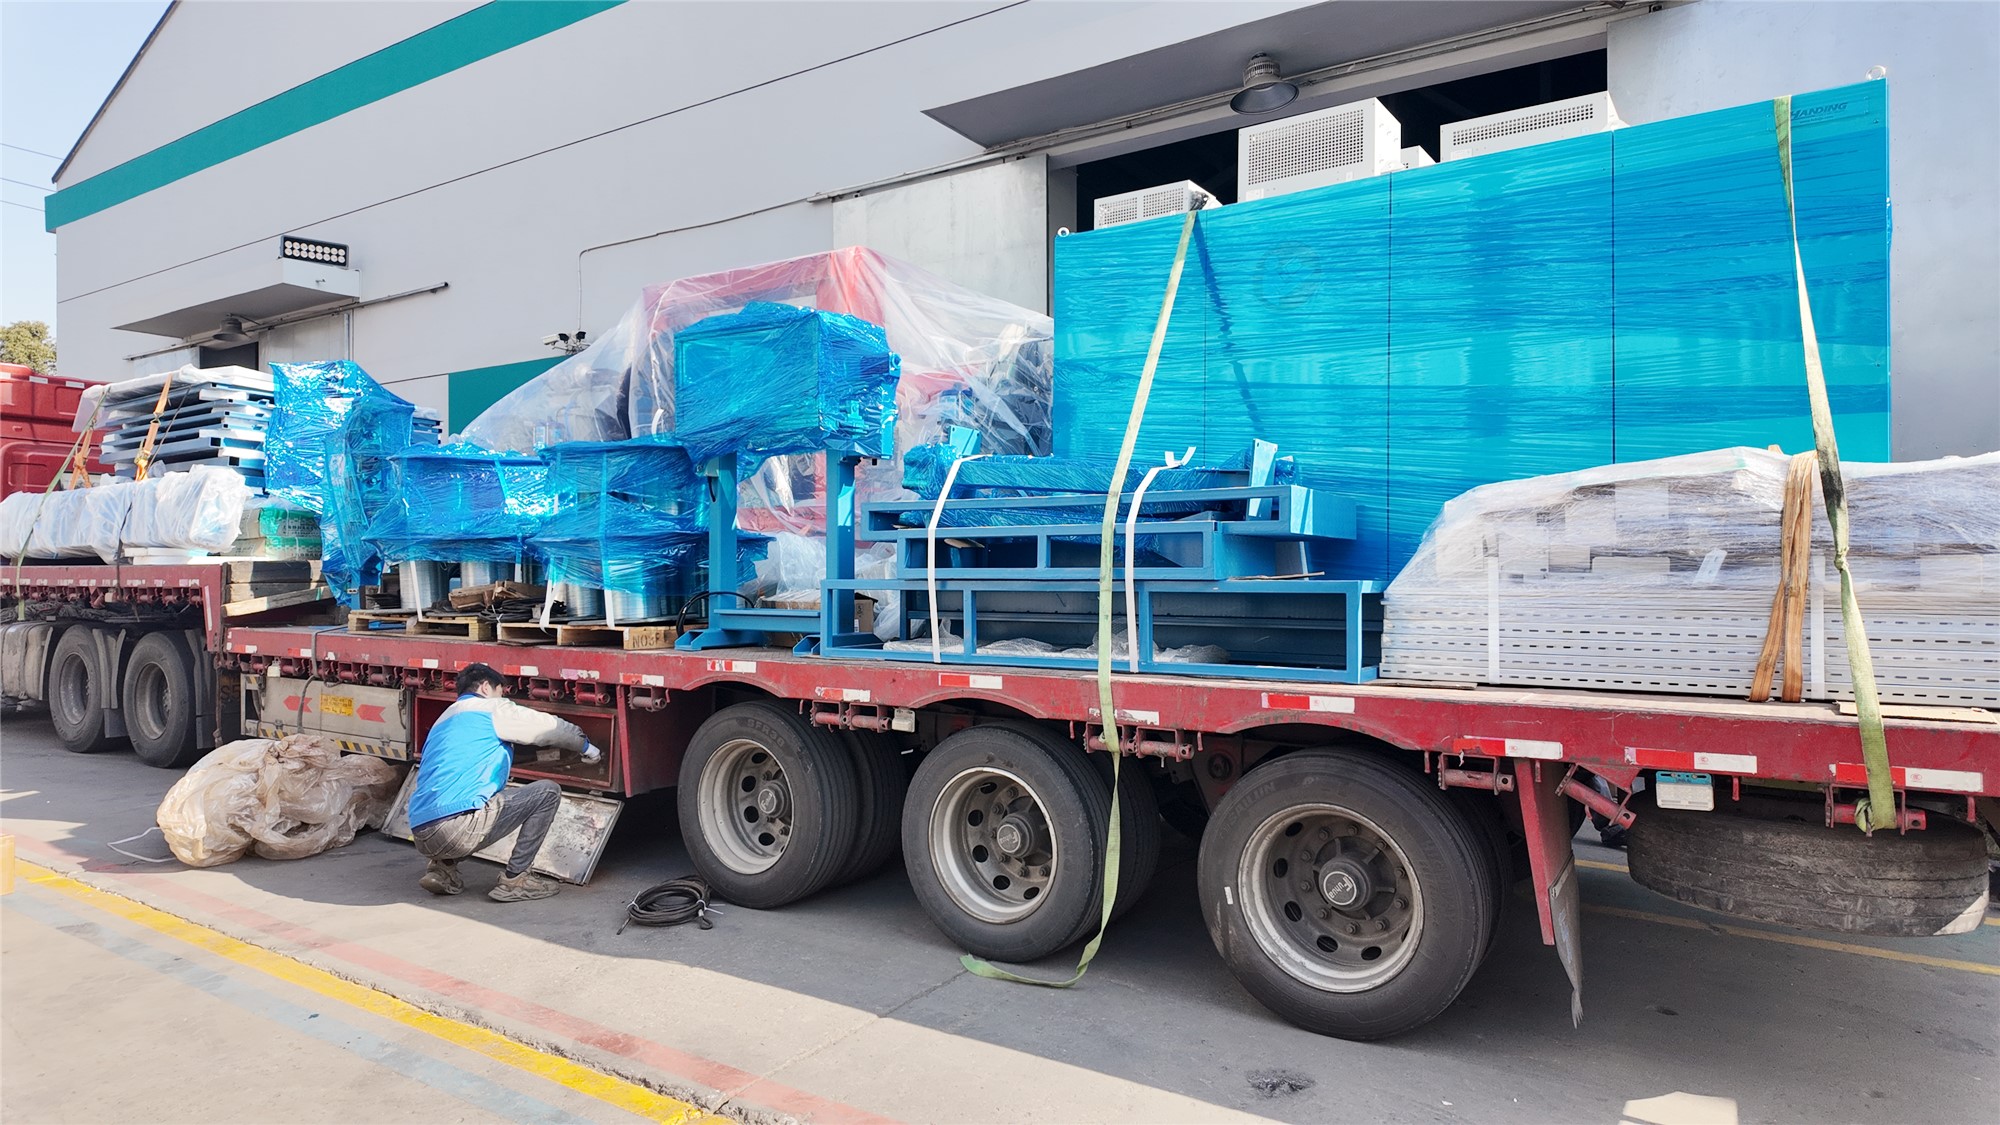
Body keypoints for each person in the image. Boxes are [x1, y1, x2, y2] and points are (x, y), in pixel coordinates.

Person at [407, 663, 602, 902]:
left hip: (421, 832)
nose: (502, 698)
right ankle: (515, 880)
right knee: (547, 792)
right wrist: (586, 747)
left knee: (471, 798)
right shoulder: (491, 708)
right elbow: (549, 728)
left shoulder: (445, 718)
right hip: (457, 830)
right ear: (485, 687)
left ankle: (442, 870)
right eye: (501, 692)